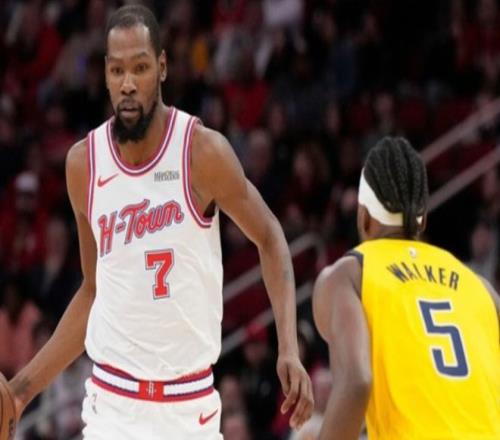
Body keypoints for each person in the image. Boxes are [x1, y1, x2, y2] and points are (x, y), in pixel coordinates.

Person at [7, 5, 313, 439]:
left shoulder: (201, 153)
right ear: (106, 74)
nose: (128, 83)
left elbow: (270, 237)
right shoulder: (84, 165)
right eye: (117, 70)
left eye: (140, 67)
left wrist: (289, 348)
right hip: (112, 407)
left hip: (189, 408)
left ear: (163, 67)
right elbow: (93, 291)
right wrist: (20, 392)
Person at [313, 136, 500, 440]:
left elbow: (356, 382)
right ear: (422, 220)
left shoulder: (349, 275)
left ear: (364, 217)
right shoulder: (480, 287)